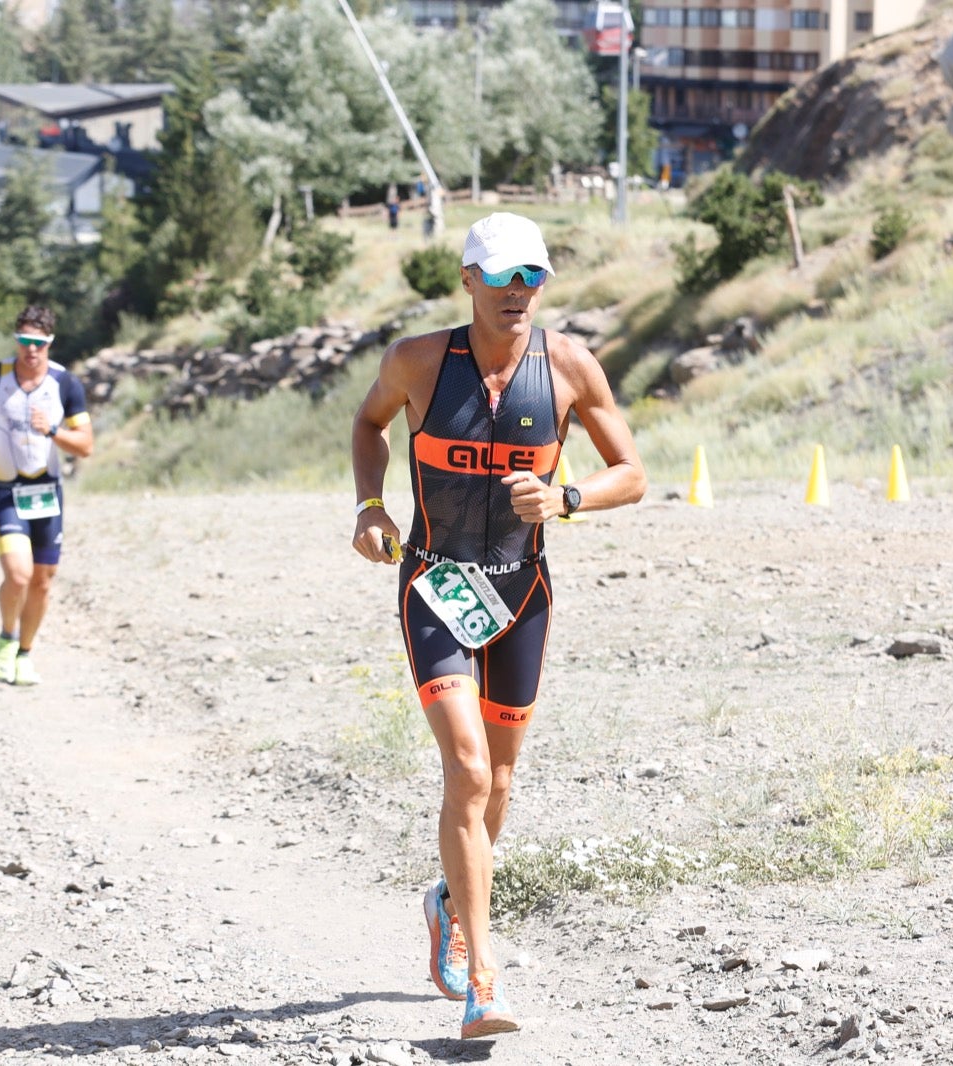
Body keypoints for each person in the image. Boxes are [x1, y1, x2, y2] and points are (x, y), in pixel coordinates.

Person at [350, 212, 646, 1039]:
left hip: (522, 594)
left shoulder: (568, 366)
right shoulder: (416, 361)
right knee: (470, 774)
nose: (518, 293)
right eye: (502, 276)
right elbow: (367, 425)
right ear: (469, 279)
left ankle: (450, 899)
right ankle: (484, 980)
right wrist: (372, 508)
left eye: (532, 278)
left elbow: (634, 472)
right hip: (436, 587)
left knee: (500, 783)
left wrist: (568, 498)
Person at [0, 306, 93, 686]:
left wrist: (53, 431)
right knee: (19, 574)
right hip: (7, 490)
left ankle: (25, 653)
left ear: (49, 343)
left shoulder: (65, 384)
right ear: (16, 340)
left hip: (47, 491)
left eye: (38, 343)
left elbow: (86, 446)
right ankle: (7, 637)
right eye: (24, 341)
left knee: (43, 580)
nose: (31, 350)